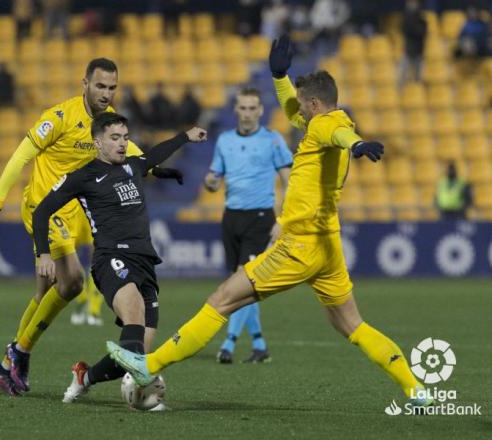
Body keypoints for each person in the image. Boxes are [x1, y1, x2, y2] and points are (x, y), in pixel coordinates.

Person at [107, 35, 433, 408]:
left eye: (304, 108)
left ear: (316, 104)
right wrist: (280, 76)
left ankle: (149, 364)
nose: (300, 117)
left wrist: (356, 144)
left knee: (222, 300)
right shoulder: (321, 120)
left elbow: (338, 134)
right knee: (352, 325)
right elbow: (301, 113)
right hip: (328, 244)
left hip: (299, 245)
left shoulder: (328, 126)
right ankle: (414, 387)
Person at [0, 58, 182, 396]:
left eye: (112, 87)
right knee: (72, 281)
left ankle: (8, 363)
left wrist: (158, 171)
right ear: (84, 83)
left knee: (47, 295)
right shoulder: (59, 117)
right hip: (45, 204)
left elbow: (131, 151)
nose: (106, 93)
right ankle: (18, 353)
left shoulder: (105, 124)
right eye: (100, 86)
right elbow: (21, 155)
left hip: (76, 211)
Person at [32, 112, 206, 404]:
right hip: (111, 259)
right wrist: (43, 254)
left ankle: (84, 377)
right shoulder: (83, 177)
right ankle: (144, 396)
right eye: (115, 138)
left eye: (125, 137)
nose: (123, 143)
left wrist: (184, 138)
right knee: (134, 319)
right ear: (98, 142)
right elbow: (41, 212)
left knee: (139, 355)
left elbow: (153, 156)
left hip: (145, 261)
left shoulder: (132, 166)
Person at [204, 86, 292, 364]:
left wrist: (282, 219)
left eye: (252, 108)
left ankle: (228, 344)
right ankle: (259, 344)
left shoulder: (273, 140)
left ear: (261, 110)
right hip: (231, 216)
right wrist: (210, 181)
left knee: (241, 280)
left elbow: (290, 181)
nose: (247, 113)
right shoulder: (225, 141)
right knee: (238, 281)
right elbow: (214, 174)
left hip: (260, 217)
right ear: (235, 110)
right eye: (242, 108)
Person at [399, 0, 427, 84]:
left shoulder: (421, 18)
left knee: (419, 77)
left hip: (418, 50)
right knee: (402, 75)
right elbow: (406, 29)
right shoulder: (406, 17)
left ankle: (419, 91)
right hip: (409, 50)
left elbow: (421, 31)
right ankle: (400, 94)